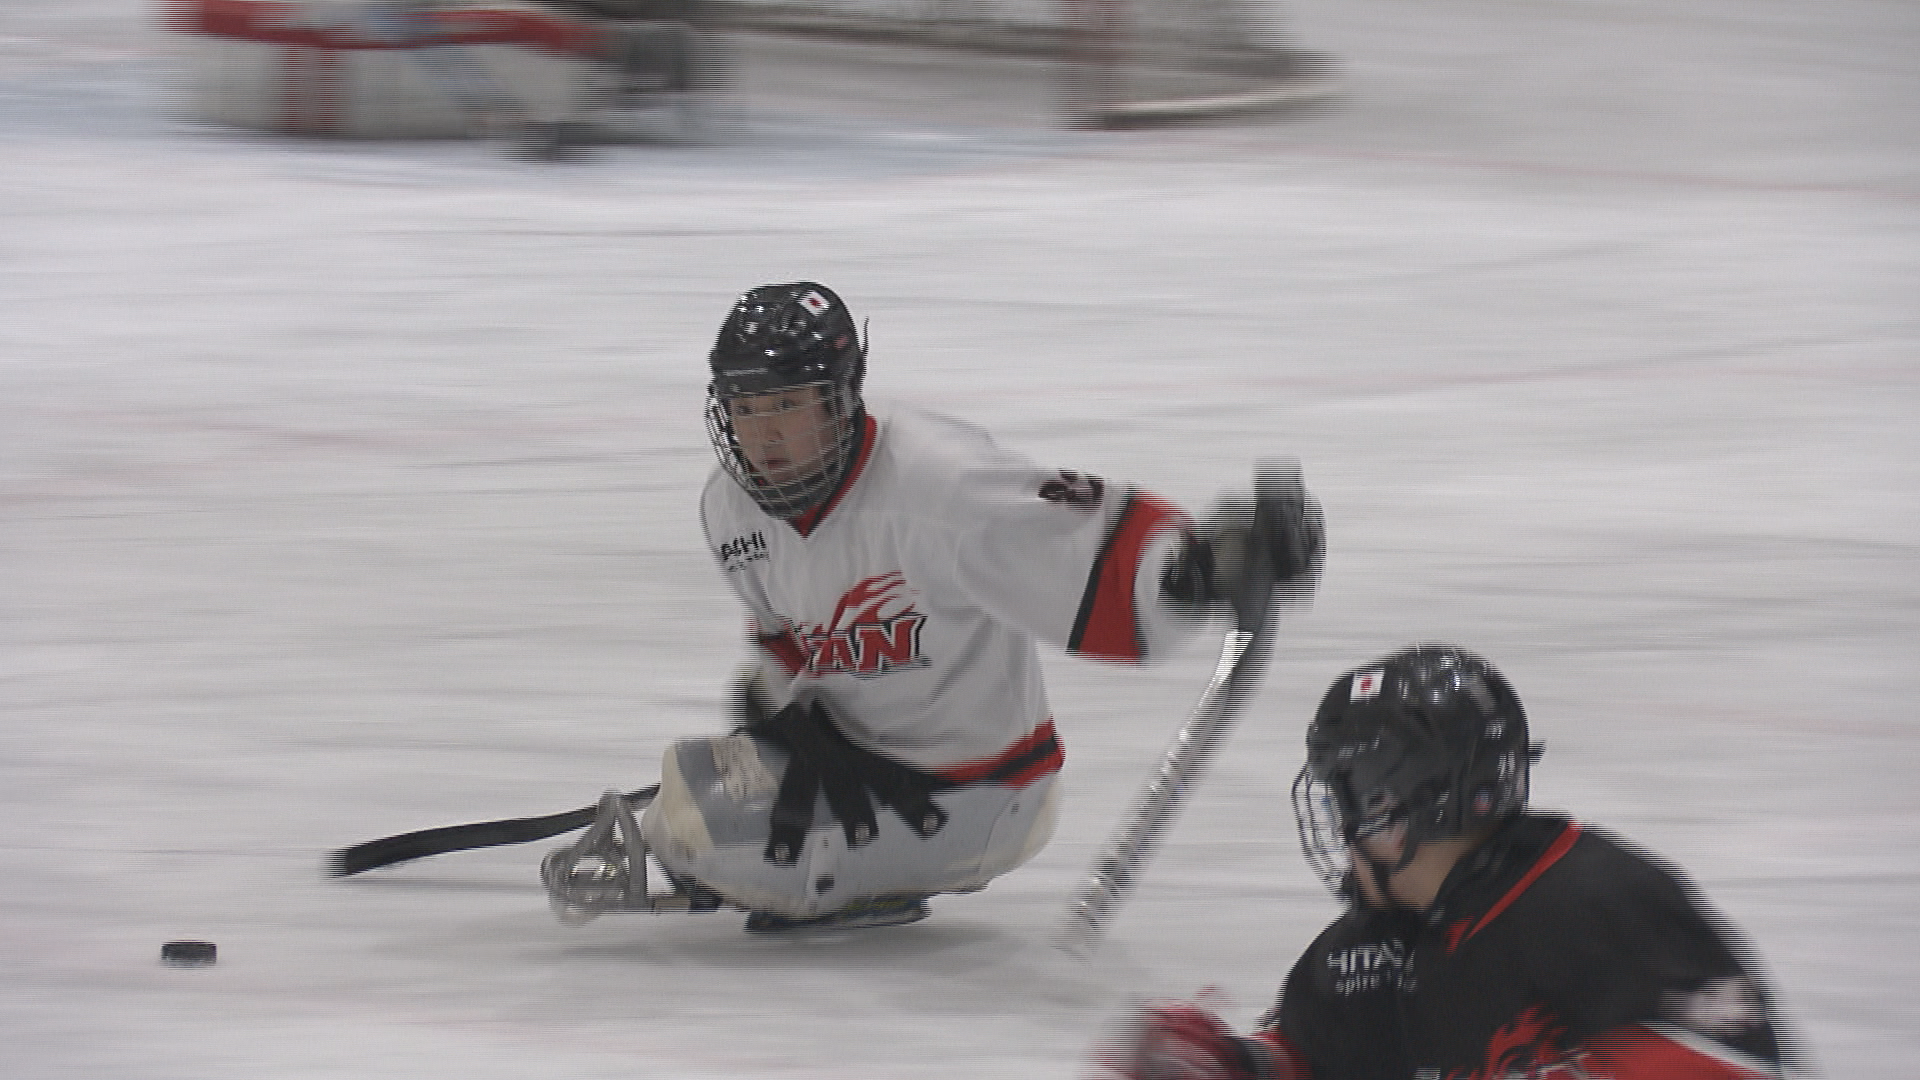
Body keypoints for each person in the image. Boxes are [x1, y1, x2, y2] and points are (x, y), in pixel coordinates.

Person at [542, 281, 1323, 933]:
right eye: (746, 409)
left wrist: (1199, 566)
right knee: (695, 793)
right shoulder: (730, 513)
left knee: (695, 832)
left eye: (788, 405)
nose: (764, 434)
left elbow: (1094, 558)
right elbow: (787, 641)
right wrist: (784, 708)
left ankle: (895, 871)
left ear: (842, 399)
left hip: (976, 788)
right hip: (858, 753)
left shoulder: (938, 485)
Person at [1101, 645, 1797, 1080]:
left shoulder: (1600, 902)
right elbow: (1316, 1057)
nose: (1340, 830)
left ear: (1399, 811)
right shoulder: (1366, 954)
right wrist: (1233, 1065)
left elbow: (1728, 1065)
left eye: (1346, 799)